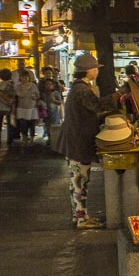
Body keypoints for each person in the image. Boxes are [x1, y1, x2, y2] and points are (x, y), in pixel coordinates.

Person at [55, 54, 124, 229]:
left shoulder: (79, 87)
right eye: (95, 68)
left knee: (78, 180)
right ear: (88, 70)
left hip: (75, 139)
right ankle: (82, 219)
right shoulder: (82, 90)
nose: (97, 71)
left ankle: (79, 215)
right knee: (80, 180)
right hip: (78, 140)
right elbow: (98, 106)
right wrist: (118, 95)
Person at [15, 69, 40, 146]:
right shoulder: (18, 86)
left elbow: (38, 95)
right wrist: (25, 88)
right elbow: (20, 95)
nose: (25, 79)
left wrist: (35, 97)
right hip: (22, 108)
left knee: (32, 124)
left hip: (32, 108)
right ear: (20, 78)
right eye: (23, 77)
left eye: (27, 77)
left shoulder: (33, 85)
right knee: (23, 124)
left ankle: (32, 139)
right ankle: (25, 138)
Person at [39, 67, 63, 144]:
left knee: (54, 123)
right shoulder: (41, 83)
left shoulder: (56, 83)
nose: (48, 75)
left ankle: (54, 138)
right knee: (47, 123)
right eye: (46, 73)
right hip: (45, 108)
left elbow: (60, 95)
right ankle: (49, 137)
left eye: (49, 73)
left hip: (54, 108)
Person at [0, 69, 15, 147]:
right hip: (8, 107)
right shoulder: (11, 85)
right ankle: (9, 141)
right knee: (9, 124)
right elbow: (12, 96)